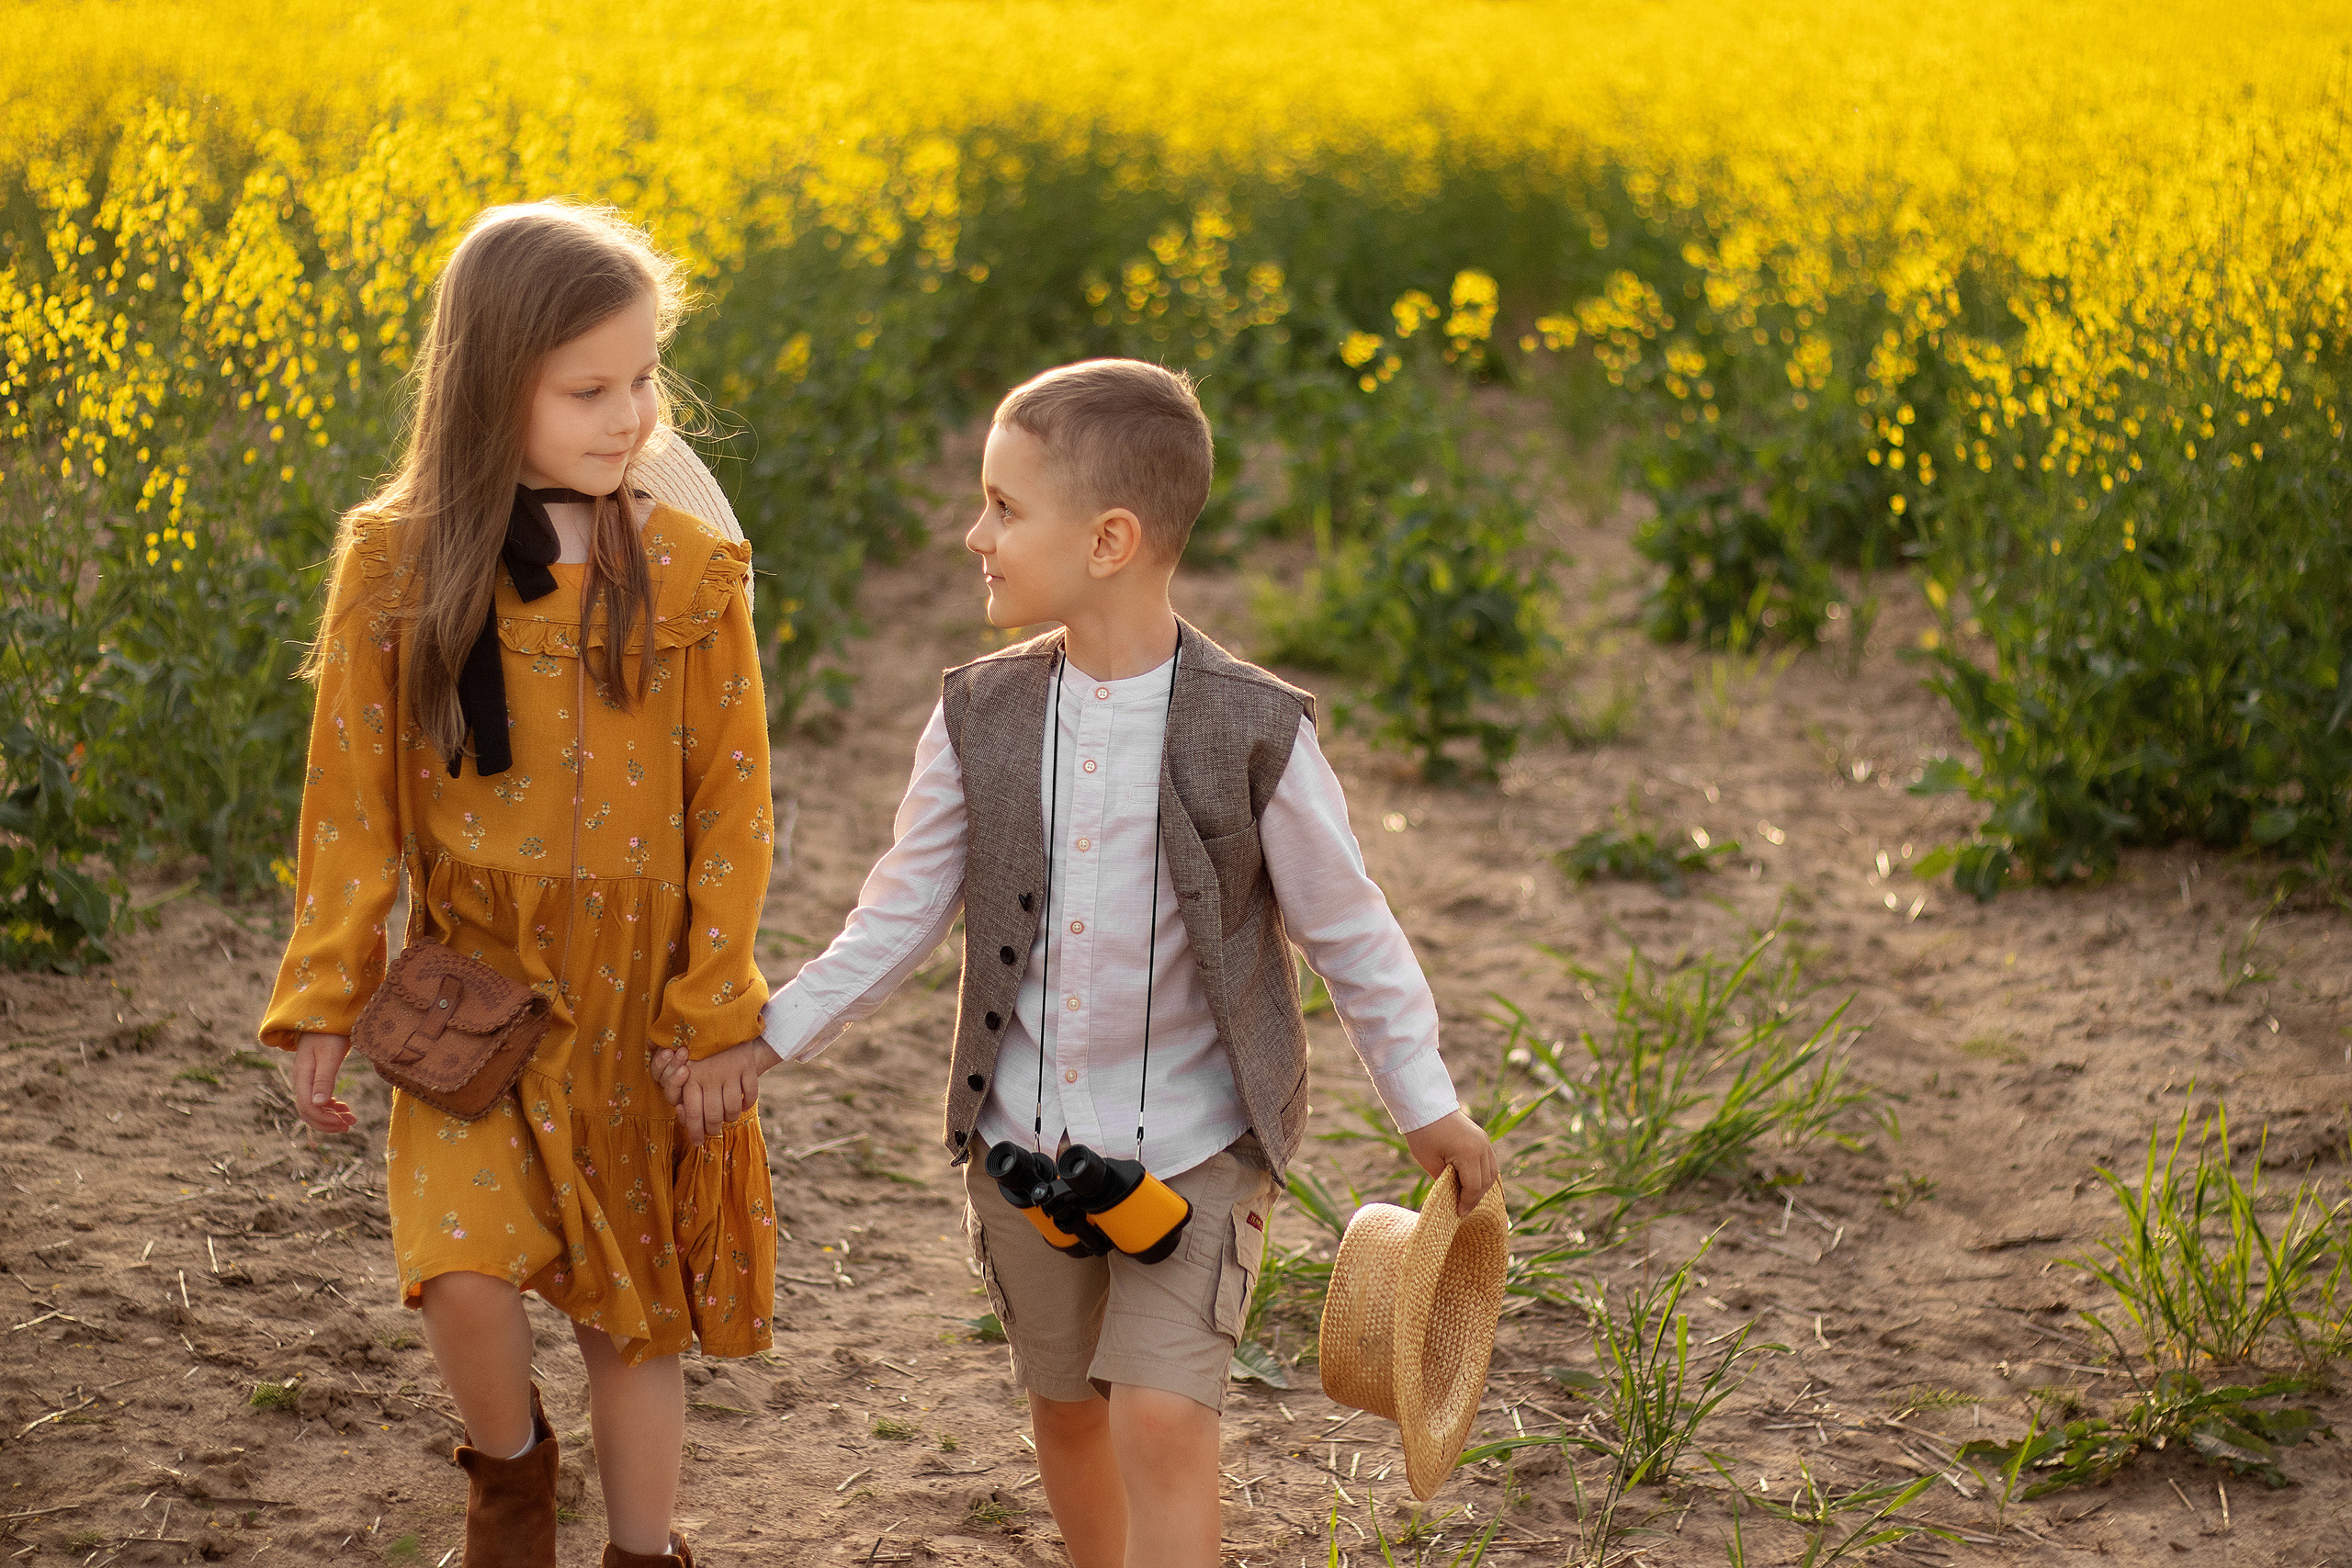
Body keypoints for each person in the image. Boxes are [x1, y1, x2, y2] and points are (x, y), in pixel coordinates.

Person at [657, 358, 1498, 1568]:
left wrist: (1426, 1104)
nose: (973, 534)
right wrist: (765, 1034)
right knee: (1067, 1408)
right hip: (1024, 1156)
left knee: (1161, 1416)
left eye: (1005, 507)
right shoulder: (977, 719)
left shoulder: (1254, 733)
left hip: (1202, 1147)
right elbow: (894, 918)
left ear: (1109, 539)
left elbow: (1350, 929)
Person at [259, 201, 777, 1568]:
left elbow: (732, 804)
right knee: (459, 1275)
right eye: (589, 389)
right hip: (472, 993)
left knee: (630, 1311)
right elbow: (354, 798)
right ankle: (509, 1482)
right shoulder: (396, 559)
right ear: (495, 387)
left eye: (644, 377)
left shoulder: (683, 570)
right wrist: (328, 987)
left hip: (633, 1004)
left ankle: (644, 1550)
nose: (632, 417)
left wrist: (713, 995)